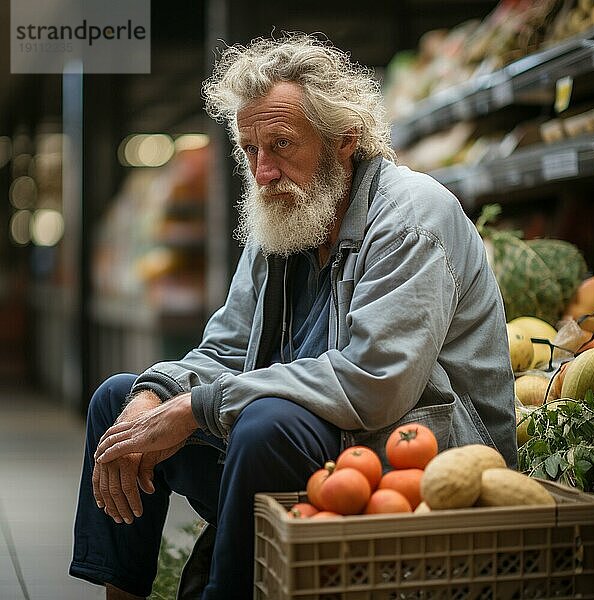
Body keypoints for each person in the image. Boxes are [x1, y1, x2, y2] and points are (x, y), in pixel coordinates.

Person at [69, 33, 517, 599]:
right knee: (119, 401)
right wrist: (159, 393)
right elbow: (224, 350)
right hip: (311, 446)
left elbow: (375, 384)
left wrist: (201, 406)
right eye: (250, 149)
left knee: (263, 425)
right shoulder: (284, 222)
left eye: (280, 146)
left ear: (344, 141)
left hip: (413, 457)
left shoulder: (411, 217)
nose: (262, 171)